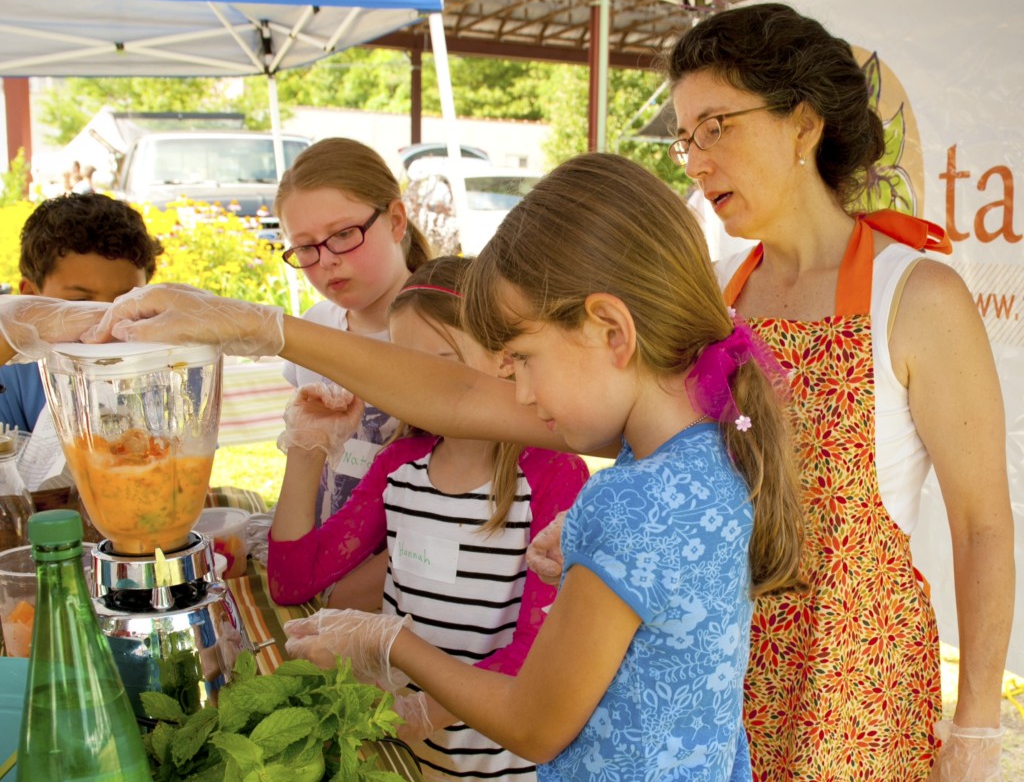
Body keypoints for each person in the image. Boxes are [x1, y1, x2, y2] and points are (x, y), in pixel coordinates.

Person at [87, 152, 806, 780]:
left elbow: (532, 724)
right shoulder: (710, 443)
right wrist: (260, 326)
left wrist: (390, 642)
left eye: (523, 360)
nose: (515, 393)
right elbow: (460, 396)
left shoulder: (632, 500)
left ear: (611, 331)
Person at [665, 3, 1013, 782]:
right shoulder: (718, 300)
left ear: (803, 124)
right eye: (686, 137)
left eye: (717, 126)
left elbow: (983, 524)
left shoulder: (915, 295)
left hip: (854, 695)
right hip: (721, 675)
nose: (694, 159)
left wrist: (978, 728)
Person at [269, 256, 591, 780]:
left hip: (497, 764)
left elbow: (540, 654)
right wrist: (306, 449)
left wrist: (427, 712)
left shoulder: (554, 476)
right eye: (403, 369)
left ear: (504, 355)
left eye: (442, 363)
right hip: (400, 757)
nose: (420, 387)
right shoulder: (399, 466)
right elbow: (293, 581)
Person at [273, 138, 434, 526]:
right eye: (306, 247)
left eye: (343, 234)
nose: (327, 260)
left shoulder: (446, 334)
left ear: (396, 220)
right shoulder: (313, 328)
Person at [0, 193, 161, 431]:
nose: (106, 328)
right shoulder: (10, 373)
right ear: (30, 297)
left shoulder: (167, 368)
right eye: (81, 303)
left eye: (125, 302)